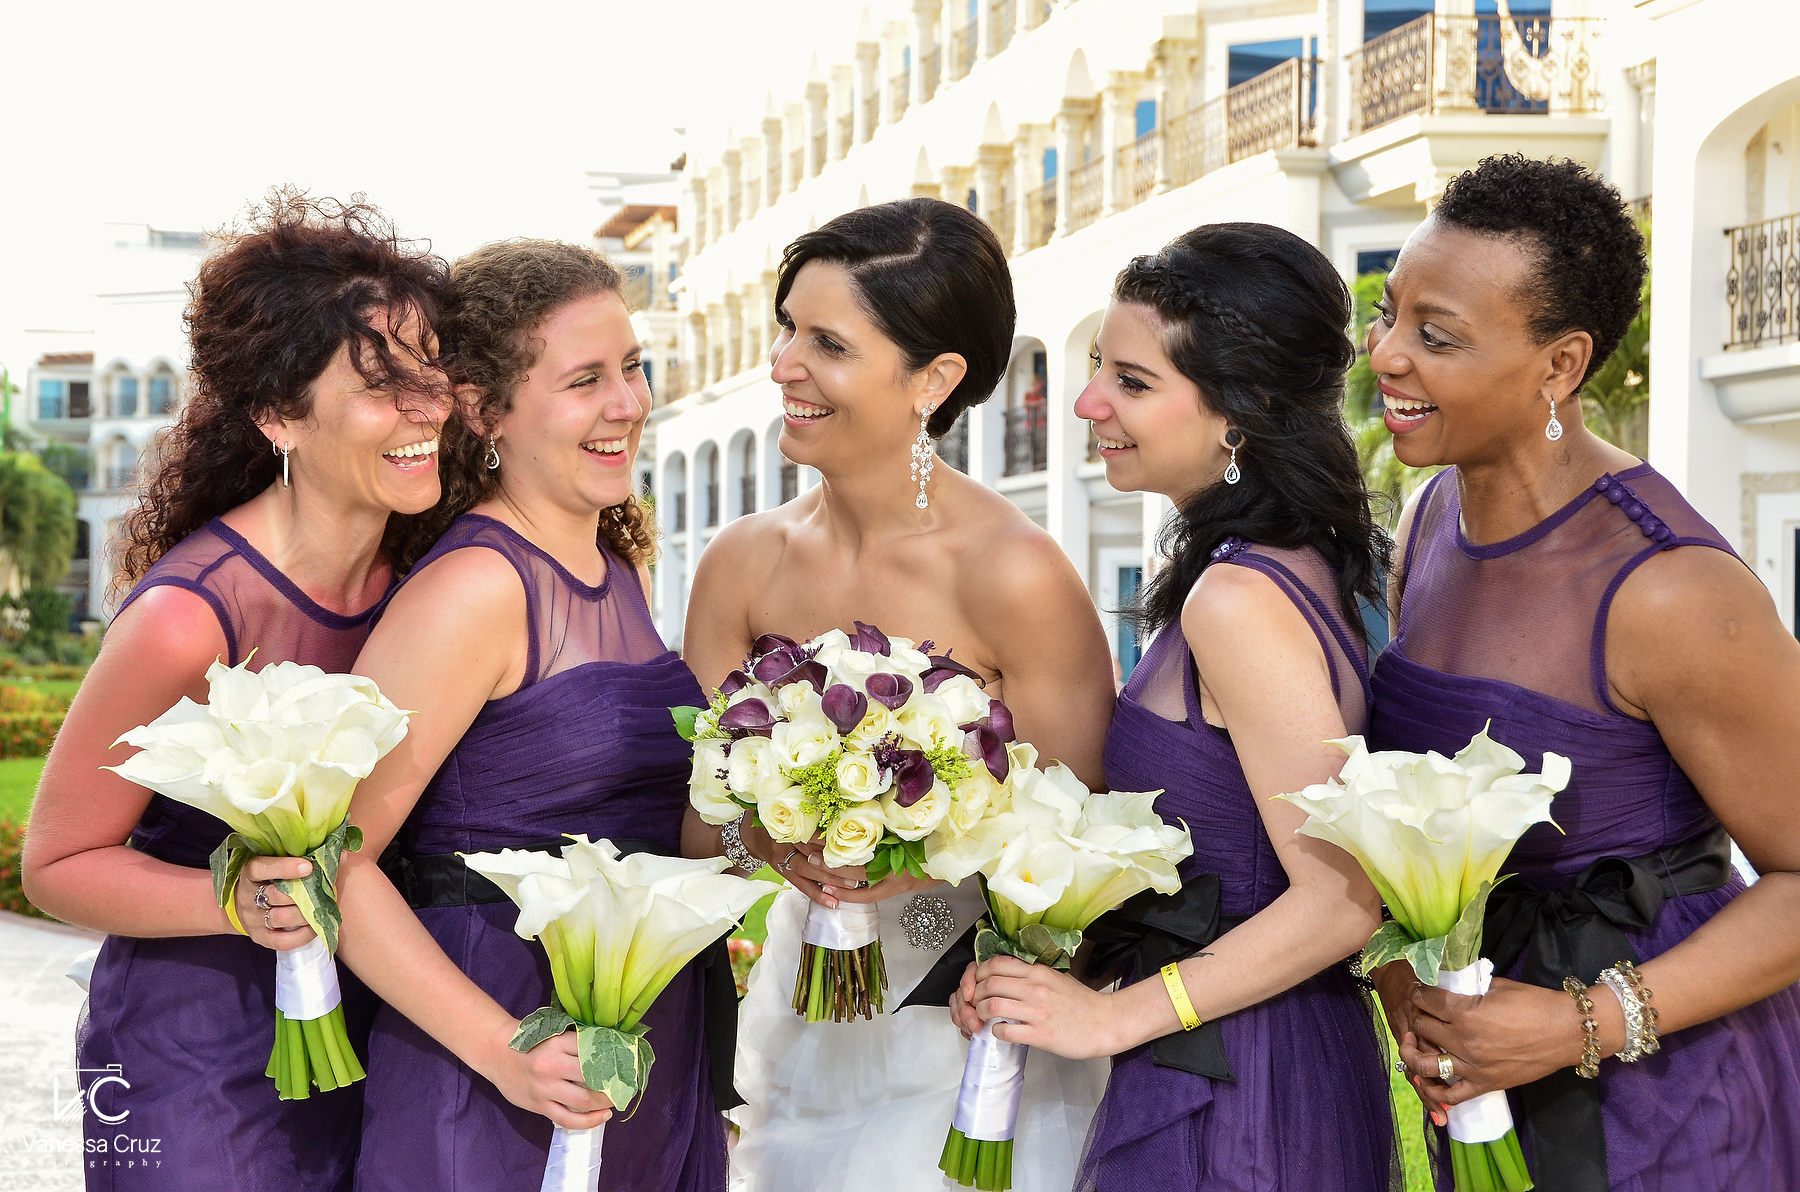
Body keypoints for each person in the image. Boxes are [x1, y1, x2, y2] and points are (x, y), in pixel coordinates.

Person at [1369, 154, 1800, 1191]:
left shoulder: (1670, 588)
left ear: (1559, 366)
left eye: (1437, 337)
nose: (1385, 356)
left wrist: (1578, 1024)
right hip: (1480, 1074)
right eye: (1387, 316)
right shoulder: (1426, 521)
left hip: (1667, 1101)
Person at [681, 197, 1116, 1191]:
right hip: (795, 1026)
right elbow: (704, 831)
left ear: (936, 378)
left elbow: (1083, 849)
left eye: (827, 342)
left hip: (967, 1039)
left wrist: (918, 858)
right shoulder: (741, 565)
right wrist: (778, 839)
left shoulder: (1014, 574)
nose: (786, 363)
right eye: (787, 327)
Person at [953, 222, 1398, 1191]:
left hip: (1239, 1089)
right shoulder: (1298, 565)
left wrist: (1113, 1016)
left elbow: (1340, 900)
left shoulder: (1237, 601)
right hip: (1242, 1049)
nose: (1087, 401)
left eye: (1132, 382)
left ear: (1241, 414)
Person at [21, 192, 449, 1191]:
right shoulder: (187, 617)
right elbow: (56, 862)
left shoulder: (426, 588)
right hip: (192, 1054)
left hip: (369, 1032)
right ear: (275, 413)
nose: (426, 404)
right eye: (384, 383)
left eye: (431, 369)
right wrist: (233, 899)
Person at [336, 239, 726, 1191]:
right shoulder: (475, 589)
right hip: (494, 1056)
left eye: (632, 367)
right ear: (483, 408)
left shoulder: (622, 568)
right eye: (585, 379)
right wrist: (505, 1049)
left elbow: (665, 830)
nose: (628, 403)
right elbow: (330, 862)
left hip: (641, 1037)